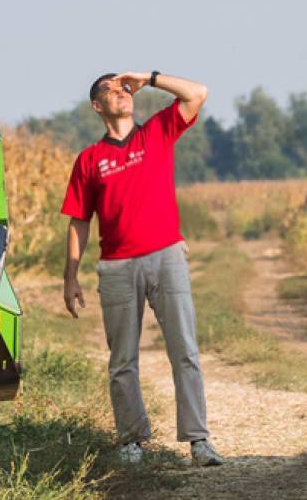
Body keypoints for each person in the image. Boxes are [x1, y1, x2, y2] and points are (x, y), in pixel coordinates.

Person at [61, 70, 224, 468]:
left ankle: (199, 441)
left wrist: (148, 77)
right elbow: (79, 221)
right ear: (97, 107)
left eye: (123, 87)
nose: (120, 92)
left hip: (166, 256)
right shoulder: (89, 160)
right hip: (116, 267)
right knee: (122, 360)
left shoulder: (157, 132)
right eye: (109, 90)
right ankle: (132, 441)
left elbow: (197, 93)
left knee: (184, 350)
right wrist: (70, 276)